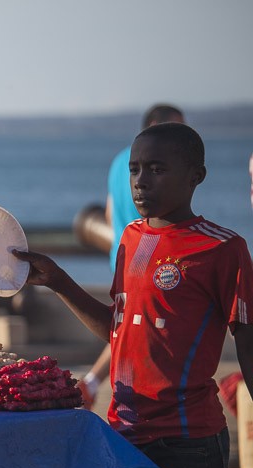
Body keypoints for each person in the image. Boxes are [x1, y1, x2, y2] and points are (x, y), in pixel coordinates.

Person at [14, 122, 253, 468]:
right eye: (135, 169)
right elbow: (118, 332)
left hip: (190, 443)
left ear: (196, 177)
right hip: (119, 434)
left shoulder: (224, 250)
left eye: (157, 168)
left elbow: (248, 346)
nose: (142, 180)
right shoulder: (130, 239)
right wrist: (60, 281)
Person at [79, 104, 185, 409]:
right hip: (155, 258)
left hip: (123, 254)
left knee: (127, 326)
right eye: (176, 127)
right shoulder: (164, 165)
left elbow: (111, 215)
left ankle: (97, 384)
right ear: (154, 126)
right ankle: (96, 384)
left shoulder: (120, 162)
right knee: (132, 330)